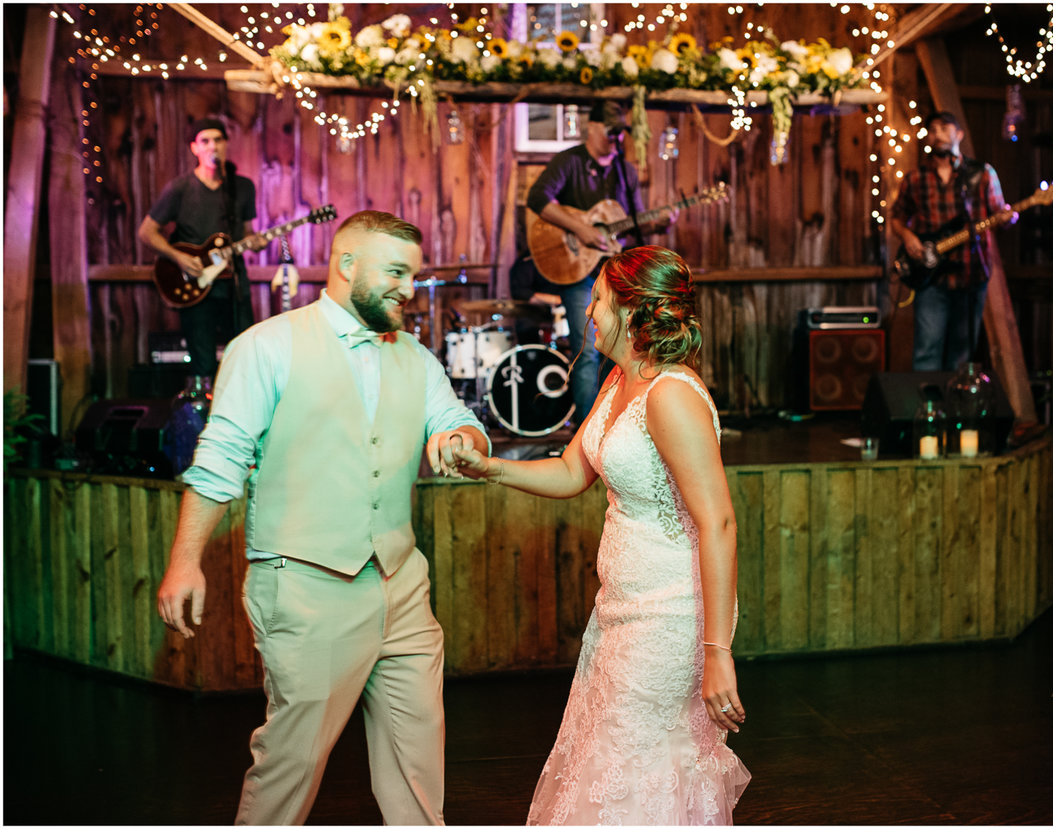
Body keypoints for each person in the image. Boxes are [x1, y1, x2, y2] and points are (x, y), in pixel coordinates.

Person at [152, 211, 487, 824]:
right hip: (306, 584)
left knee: (419, 762)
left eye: (412, 275)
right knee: (293, 760)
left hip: (402, 584)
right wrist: (184, 562)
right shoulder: (266, 346)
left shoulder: (415, 356)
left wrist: (462, 436)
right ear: (346, 264)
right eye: (395, 272)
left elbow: (460, 421)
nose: (408, 290)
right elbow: (220, 460)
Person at [448, 246, 750, 824]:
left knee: (637, 768)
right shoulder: (620, 381)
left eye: (600, 301)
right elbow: (570, 471)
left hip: (669, 619)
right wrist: (492, 469)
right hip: (619, 611)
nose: (589, 313)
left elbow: (720, 523)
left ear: (635, 312)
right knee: (609, 760)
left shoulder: (671, 396)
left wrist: (718, 653)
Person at [517, 102, 674, 425]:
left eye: (621, 133)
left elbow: (634, 222)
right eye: (610, 131)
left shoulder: (625, 170)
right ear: (592, 127)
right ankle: (590, 434)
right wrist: (581, 229)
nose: (616, 139)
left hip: (616, 273)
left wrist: (657, 224)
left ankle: (623, 425)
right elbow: (537, 198)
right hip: (577, 272)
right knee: (586, 351)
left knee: (627, 347)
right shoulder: (570, 161)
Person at [138, 116, 270, 379]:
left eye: (218, 140)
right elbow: (146, 232)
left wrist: (256, 243)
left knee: (245, 355)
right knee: (204, 362)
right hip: (195, 286)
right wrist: (179, 258)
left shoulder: (242, 187)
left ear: (226, 144)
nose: (213, 146)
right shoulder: (180, 188)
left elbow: (246, 233)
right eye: (205, 141)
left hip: (233, 285)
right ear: (194, 148)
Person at [890, 111, 1015, 373]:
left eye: (944, 128)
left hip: (971, 274)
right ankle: (927, 410)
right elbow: (896, 218)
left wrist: (1008, 217)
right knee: (927, 351)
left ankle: (956, 409)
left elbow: (999, 215)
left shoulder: (982, 173)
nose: (937, 134)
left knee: (962, 355)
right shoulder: (915, 178)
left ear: (959, 134)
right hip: (930, 276)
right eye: (932, 130)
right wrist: (909, 237)